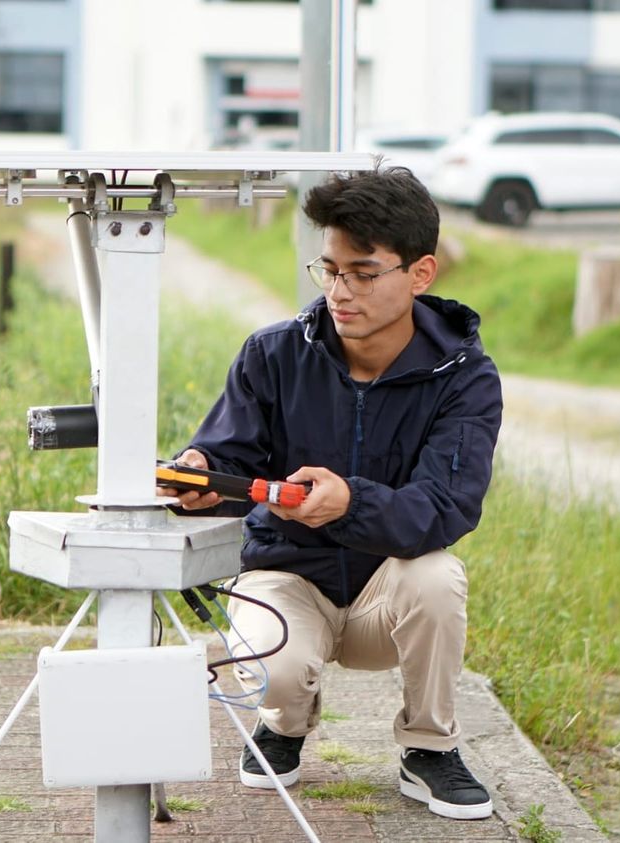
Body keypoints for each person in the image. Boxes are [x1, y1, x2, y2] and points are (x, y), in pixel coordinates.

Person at [161, 166, 503, 820]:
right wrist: (200, 475)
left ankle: (429, 747)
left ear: (421, 274)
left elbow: (444, 509)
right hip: (286, 574)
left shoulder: (466, 378)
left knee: (438, 576)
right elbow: (228, 458)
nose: (340, 291)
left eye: (363, 272)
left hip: (386, 592)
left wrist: (350, 502)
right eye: (329, 269)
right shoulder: (273, 353)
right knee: (277, 670)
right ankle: (283, 723)